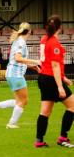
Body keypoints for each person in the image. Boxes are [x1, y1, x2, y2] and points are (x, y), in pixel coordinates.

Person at [0, 22, 40, 129]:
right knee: (23, 101)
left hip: (11, 74)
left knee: (18, 101)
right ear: (29, 31)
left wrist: (32, 66)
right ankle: (11, 123)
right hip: (16, 75)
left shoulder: (17, 41)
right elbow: (18, 58)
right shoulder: (21, 42)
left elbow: (16, 60)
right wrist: (36, 61)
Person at [35, 15, 74, 148]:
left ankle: (39, 140)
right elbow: (55, 66)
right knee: (72, 106)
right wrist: (60, 86)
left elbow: (45, 62)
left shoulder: (44, 39)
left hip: (43, 78)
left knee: (45, 111)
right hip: (52, 80)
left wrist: (64, 79)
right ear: (60, 27)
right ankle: (63, 137)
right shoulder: (54, 43)